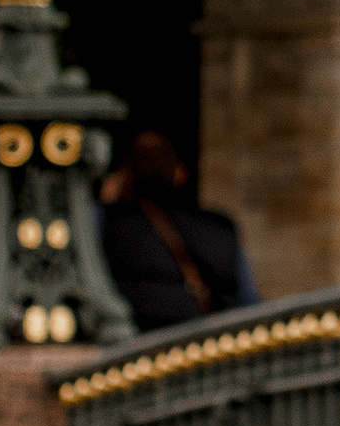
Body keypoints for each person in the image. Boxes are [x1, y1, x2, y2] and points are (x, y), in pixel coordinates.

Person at [99, 131, 260, 333]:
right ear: (179, 173)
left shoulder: (105, 221)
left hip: (135, 343)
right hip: (204, 343)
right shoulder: (220, 226)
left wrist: (108, 196)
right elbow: (249, 304)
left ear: (126, 174)